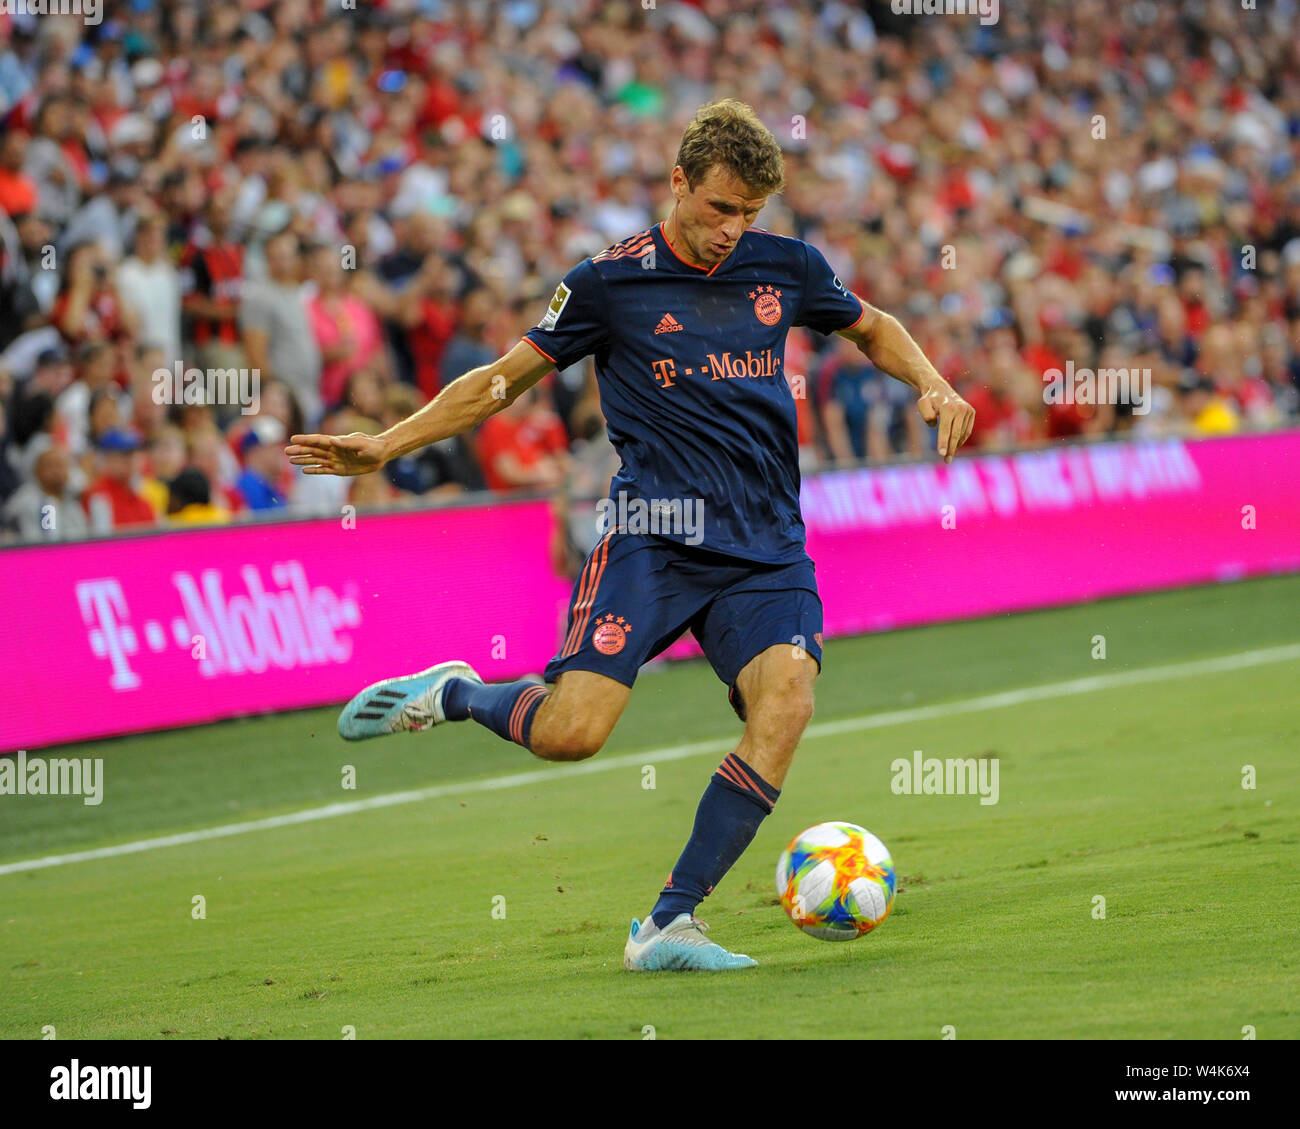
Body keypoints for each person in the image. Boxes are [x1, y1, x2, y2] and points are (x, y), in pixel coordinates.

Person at [287, 100, 974, 972]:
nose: (733, 230)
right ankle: (456, 693)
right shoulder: (610, 284)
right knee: (572, 731)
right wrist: (386, 442)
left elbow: (875, 327)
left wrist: (935, 384)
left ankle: (668, 925)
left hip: (765, 546)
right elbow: (502, 381)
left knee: (786, 704)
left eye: (750, 214)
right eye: (720, 208)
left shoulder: (788, 267)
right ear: (678, 182)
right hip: (653, 537)